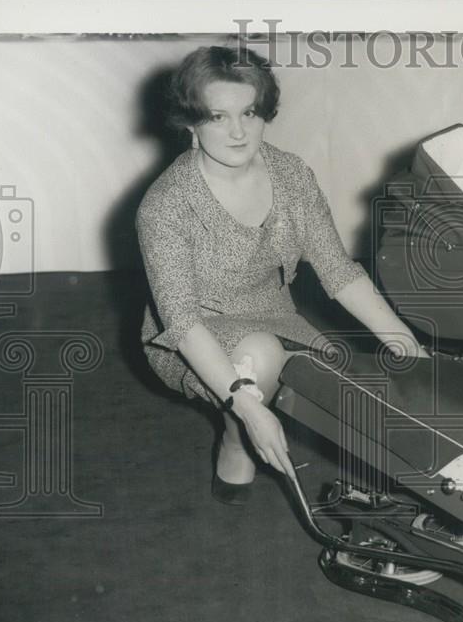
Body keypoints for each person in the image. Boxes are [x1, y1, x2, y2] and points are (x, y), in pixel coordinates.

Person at [137, 45, 427, 505]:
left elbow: (337, 269)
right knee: (261, 357)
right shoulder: (166, 205)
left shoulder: (290, 174)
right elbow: (183, 323)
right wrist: (251, 414)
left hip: (274, 312)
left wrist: (402, 340)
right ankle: (234, 439)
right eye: (217, 117)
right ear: (191, 123)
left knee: (341, 380)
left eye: (250, 112)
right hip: (195, 331)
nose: (238, 131)